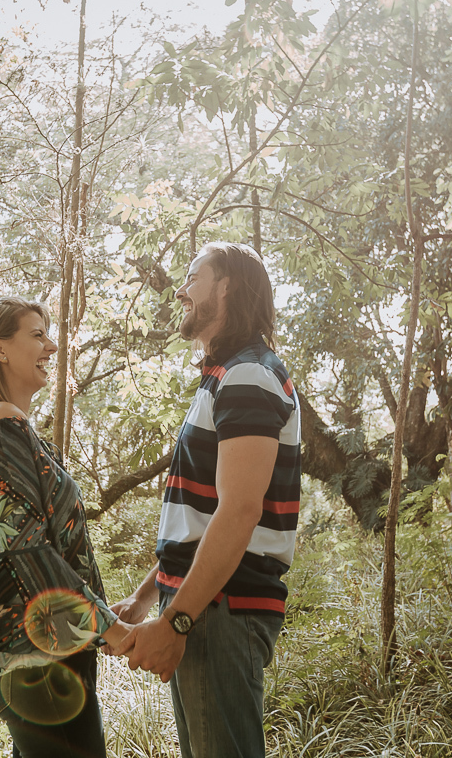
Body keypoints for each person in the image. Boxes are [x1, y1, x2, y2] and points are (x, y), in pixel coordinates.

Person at [110, 242, 302, 758]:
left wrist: (177, 620)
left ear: (227, 286)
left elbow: (240, 511)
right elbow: (201, 519)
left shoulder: (249, 376)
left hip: (221, 608)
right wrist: (150, 596)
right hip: (202, 606)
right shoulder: (223, 378)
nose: (180, 289)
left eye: (193, 276)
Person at [0, 296, 132, 758]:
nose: (51, 346)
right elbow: (27, 551)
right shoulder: (0, 426)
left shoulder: (2, 428)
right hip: (39, 661)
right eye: (37, 335)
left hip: (43, 659)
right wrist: (114, 630)